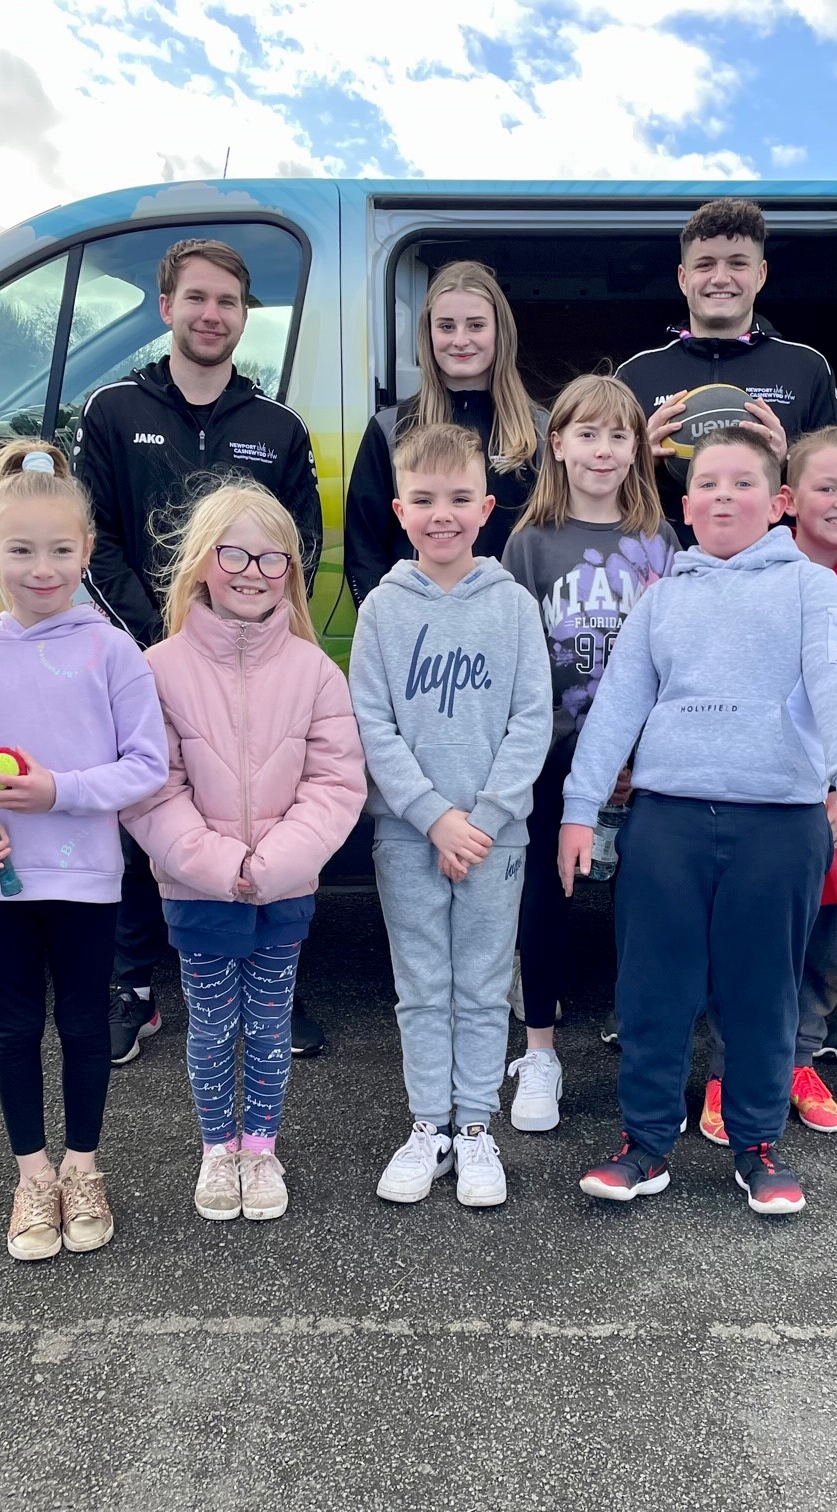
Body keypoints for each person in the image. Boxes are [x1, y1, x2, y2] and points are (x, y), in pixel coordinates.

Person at [564, 426, 837, 1218]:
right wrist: (579, 806)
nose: (723, 497)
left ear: (778, 502)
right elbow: (617, 707)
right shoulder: (662, 597)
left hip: (778, 824)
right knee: (652, 991)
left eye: (743, 483)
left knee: (762, 994)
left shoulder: (813, 588)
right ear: (686, 505)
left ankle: (757, 1147)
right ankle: (645, 1146)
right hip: (666, 821)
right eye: (707, 483)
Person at [74, 235, 328, 1060]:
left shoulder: (277, 427)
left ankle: (272, 979)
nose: (211, 314)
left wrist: (243, 629)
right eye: (196, 298)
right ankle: (133, 985)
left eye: (227, 301)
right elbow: (93, 539)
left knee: (258, 804)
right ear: (166, 307)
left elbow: (300, 544)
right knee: (146, 810)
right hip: (143, 654)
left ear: (244, 315)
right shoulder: (113, 410)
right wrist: (163, 636)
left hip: (249, 659)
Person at [0, 440, 168, 1261]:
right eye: (21, 551)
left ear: (86, 550)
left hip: (88, 878)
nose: (42, 568)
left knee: (86, 1025)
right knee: (15, 1028)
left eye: (60, 550)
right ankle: (32, 1176)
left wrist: (58, 790)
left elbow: (147, 765)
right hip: (0, 883)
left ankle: (83, 1169)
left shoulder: (113, 650)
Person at [123, 483, 366, 1223]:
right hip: (198, 890)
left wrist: (273, 865)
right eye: (234, 554)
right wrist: (219, 866)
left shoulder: (315, 671)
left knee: (267, 1026)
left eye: (272, 558)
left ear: (292, 570)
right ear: (202, 562)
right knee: (210, 1026)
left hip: (283, 889)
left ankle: (259, 1149)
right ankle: (216, 1149)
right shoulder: (158, 668)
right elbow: (153, 789)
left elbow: (335, 785)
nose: (253, 571)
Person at [696, 426, 837, 1143]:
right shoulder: (746, 575)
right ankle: (730, 1068)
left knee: (827, 942)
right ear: (789, 498)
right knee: (747, 938)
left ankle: (798, 1061)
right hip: (763, 802)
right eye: (827, 487)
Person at [348, 423, 550, 1208]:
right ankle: (428, 1125)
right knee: (423, 986)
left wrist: (485, 818)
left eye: (460, 498)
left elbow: (531, 720)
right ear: (400, 511)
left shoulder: (512, 606)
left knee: (485, 985)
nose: (443, 515)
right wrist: (435, 818)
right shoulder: (382, 611)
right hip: (409, 838)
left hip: (497, 839)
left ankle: (474, 1128)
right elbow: (374, 726)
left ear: (486, 508)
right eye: (425, 499)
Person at [497, 374, 679, 1133]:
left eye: (618, 435)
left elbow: (675, 659)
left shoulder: (661, 541)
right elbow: (515, 659)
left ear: (638, 448)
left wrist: (641, 752)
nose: (603, 450)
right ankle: (540, 1050)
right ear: (558, 444)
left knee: (649, 908)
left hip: (645, 762)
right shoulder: (530, 543)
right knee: (548, 897)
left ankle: (646, 1047)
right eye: (587, 434)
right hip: (555, 757)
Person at [617, 197, 837, 543]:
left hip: (773, 569)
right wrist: (634, 459)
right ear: (683, 278)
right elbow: (595, 491)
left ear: (760, 274)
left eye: (737, 264)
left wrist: (788, 460)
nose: (721, 279)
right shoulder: (636, 373)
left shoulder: (807, 367)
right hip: (662, 565)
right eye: (705, 265)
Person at [343, 260, 546, 604]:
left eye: (476, 325)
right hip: (416, 625)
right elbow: (364, 548)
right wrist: (387, 619)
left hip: (511, 623)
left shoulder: (539, 430)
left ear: (500, 332)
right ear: (428, 333)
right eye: (446, 326)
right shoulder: (390, 429)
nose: (460, 340)